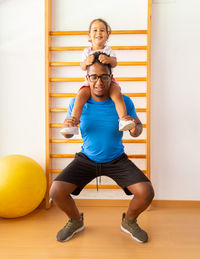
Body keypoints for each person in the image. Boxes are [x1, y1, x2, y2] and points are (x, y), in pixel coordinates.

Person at [50, 52, 154, 243]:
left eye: (104, 76)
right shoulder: (77, 103)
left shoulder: (124, 102)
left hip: (116, 159)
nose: (99, 82)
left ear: (111, 78)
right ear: (87, 78)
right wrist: (65, 126)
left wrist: (134, 128)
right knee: (56, 191)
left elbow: (137, 130)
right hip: (86, 159)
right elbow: (68, 133)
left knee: (146, 192)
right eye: (94, 77)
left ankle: (129, 221)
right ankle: (75, 221)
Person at [60, 18, 135, 137]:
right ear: (89, 35)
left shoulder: (109, 51)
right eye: (95, 30)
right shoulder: (86, 51)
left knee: (117, 94)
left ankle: (123, 119)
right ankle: (73, 122)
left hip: (109, 81)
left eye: (102, 30)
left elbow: (115, 63)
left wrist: (109, 60)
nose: (98, 33)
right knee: (80, 97)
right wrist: (86, 61)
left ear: (107, 35)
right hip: (89, 82)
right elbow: (82, 66)